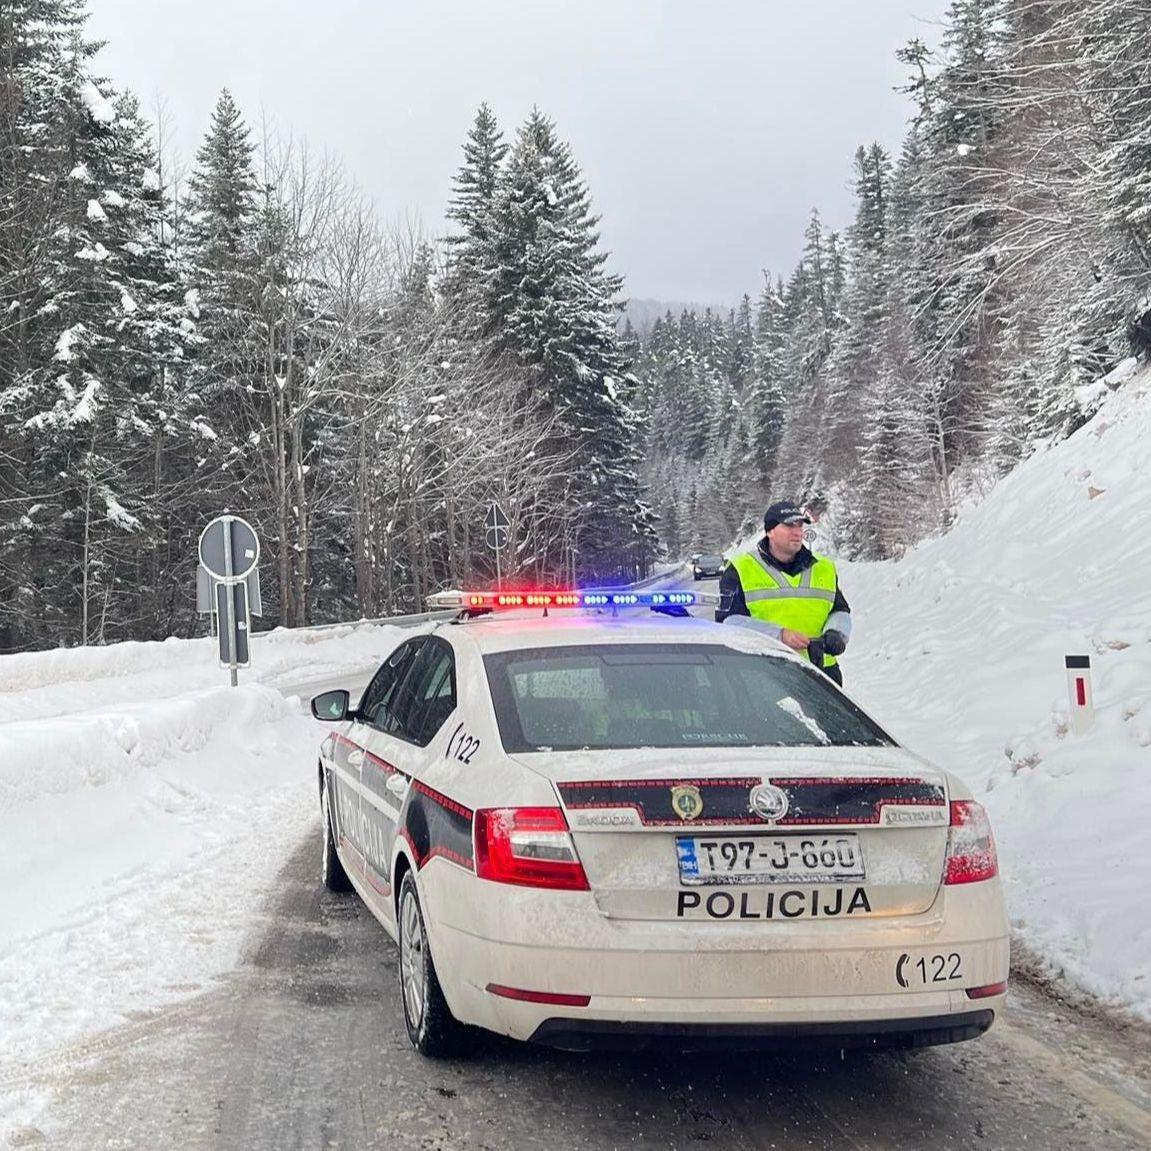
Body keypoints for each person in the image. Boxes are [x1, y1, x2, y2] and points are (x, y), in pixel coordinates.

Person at [715, 500, 851, 685]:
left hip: (822, 674)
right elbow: (729, 622)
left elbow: (840, 610)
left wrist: (836, 633)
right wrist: (780, 635)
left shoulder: (824, 568)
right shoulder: (740, 569)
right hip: (766, 674)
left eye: (800, 525)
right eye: (788, 525)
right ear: (770, 531)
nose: (797, 532)